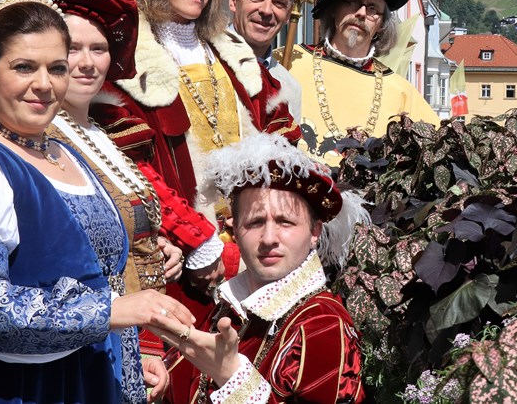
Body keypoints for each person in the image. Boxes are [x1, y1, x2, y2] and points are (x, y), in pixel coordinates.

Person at [0, 0, 193, 404]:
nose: (44, 84)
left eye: (56, 68)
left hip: (96, 376)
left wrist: (130, 346)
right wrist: (110, 313)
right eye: (23, 67)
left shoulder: (64, 150)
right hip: (29, 389)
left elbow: (95, 267)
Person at [109, 0, 300, 402]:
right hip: (178, 261)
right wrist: (195, 239)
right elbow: (129, 168)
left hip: (252, 255)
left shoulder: (232, 53)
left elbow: (280, 138)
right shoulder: (131, 59)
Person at [147, 133, 367, 403]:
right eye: (255, 223)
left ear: (314, 232)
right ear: (235, 231)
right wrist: (163, 375)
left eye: (285, 222)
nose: (269, 238)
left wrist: (231, 377)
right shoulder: (227, 308)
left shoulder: (322, 324)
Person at [287, 0, 440, 165]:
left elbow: (438, 143)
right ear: (334, 10)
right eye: (352, 2)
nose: (361, 13)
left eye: (373, 9)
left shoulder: (399, 90)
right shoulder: (289, 61)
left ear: (382, 26)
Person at [228, 0, 302, 121]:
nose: (266, 10)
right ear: (233, 0)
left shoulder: (289, 88)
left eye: (278, 3)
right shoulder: (201, 57)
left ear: (288, 14)